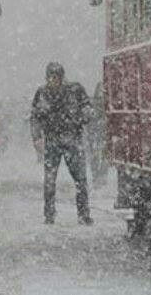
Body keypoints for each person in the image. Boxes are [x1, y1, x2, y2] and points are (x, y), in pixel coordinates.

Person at [31, 62, 93, 225]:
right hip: (53, 140)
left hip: (72, 139)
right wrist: (37, 137)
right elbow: (35, 117)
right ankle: (49, 214)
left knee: (80, 178)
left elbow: (88, 107)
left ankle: (83, 213)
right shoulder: (42, 93)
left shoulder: (75, 90)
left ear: (61, 77)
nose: (53, 81)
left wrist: (82, 118)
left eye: (56, 77)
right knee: (50, 180)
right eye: (50, 77)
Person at [85, 81, 109, 188]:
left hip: (100, 133)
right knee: (97, 156)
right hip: (96, 133)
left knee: (102, 156)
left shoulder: (94, 104)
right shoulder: (96, 104)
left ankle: (100, 176)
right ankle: (97, 176)